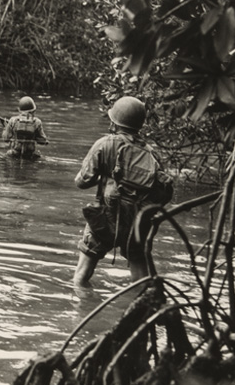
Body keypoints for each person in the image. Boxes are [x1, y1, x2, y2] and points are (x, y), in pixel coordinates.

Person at [73, 95, 171, 286]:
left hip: (104, 218)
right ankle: (142, 309)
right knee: (141, 280)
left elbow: (82, 182)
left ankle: (82, 308)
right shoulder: (152, 154)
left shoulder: (105, 144)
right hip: (137, 221)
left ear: (114, 121)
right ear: (140, 124)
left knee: (81, 276)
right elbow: (161, 192)